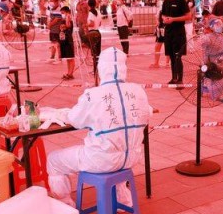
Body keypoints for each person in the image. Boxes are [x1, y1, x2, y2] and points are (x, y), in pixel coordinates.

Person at [47, 47, 150, 205]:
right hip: (132, 158)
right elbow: (147, 113)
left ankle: (65, 203)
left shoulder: (92, 95)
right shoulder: (138, 90)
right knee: (118, 146)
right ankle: (123, 200)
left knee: (54, 160)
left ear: (100, 68)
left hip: (101, 160)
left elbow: (75, 120)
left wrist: (60, 114)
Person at [159, 0, 189, 85]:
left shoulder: (181, 1)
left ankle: (180, 79)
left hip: (178, 32)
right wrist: (164, 19)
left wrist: (174, 19)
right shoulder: (166, 1)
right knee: (171, 56)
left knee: (177, 56)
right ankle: (174, 78)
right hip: (168, 32)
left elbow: (188, 16)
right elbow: (163, 14)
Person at [56, 7, 75, 80]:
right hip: (63, 40)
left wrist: (67, 17)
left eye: (63, 13)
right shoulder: (63, 19)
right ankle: (68, 72)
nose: (62, 14)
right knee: (68, 58)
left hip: (68, 40)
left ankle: (70, 74)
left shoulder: (70, 19)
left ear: (67, 12)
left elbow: (68, 25)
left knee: (71, 58)